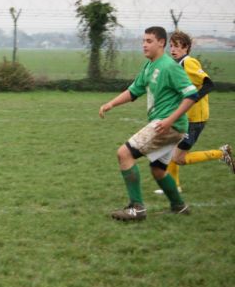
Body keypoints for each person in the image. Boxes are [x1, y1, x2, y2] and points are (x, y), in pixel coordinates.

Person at [99, 26, 199, 221]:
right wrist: (111, 103)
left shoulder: (169, 66)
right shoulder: (149, 66)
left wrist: (169, 120)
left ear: (161, 42)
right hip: (171, 127)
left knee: (124, 153)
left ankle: (136, 208)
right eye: (143, 41)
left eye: (149, 41)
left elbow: (191, 95)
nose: (144, 45)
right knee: (158, 170)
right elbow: (134, 91)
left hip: (167, 125)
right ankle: (179, 206)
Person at [152, 30, 234, 195]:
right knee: (171, 148)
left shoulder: (189, 62)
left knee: (179, 158)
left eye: (177, 46)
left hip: (196, 119)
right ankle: (175, 187)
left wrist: (193, 99)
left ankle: (221, 153)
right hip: (185, 117)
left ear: (186, 48)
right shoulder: (176, 64)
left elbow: (209, 84)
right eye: (171, 46)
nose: (172, 49)